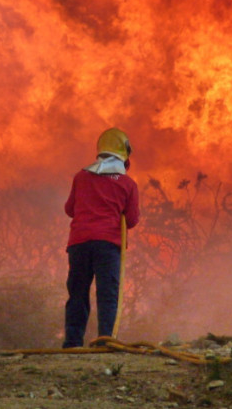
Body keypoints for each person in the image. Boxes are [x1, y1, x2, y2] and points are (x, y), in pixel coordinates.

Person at [62, 127, 140, 348]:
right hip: (107, 245)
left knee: (77, 293)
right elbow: (132, 220)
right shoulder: (127, 184)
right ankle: (106, 341)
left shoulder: (81, 177)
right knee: (107, 294)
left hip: (79, 244)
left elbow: (70, 209)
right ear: (124, 155)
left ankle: (72, 343)